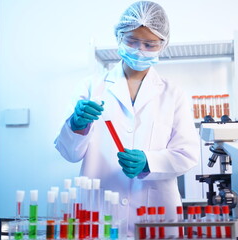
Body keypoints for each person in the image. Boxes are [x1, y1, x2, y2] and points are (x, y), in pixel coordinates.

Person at [55, 1, 200, 237]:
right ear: (119, 37)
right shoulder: (91, 87)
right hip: (99, 213)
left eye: (149, 44)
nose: (139, 49)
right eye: (131, 41)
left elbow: (187, 154)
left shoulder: (173, 94)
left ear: (162, 44)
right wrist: (76, 125)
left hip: (156, 216)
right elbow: (70, 153)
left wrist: (149, 162)